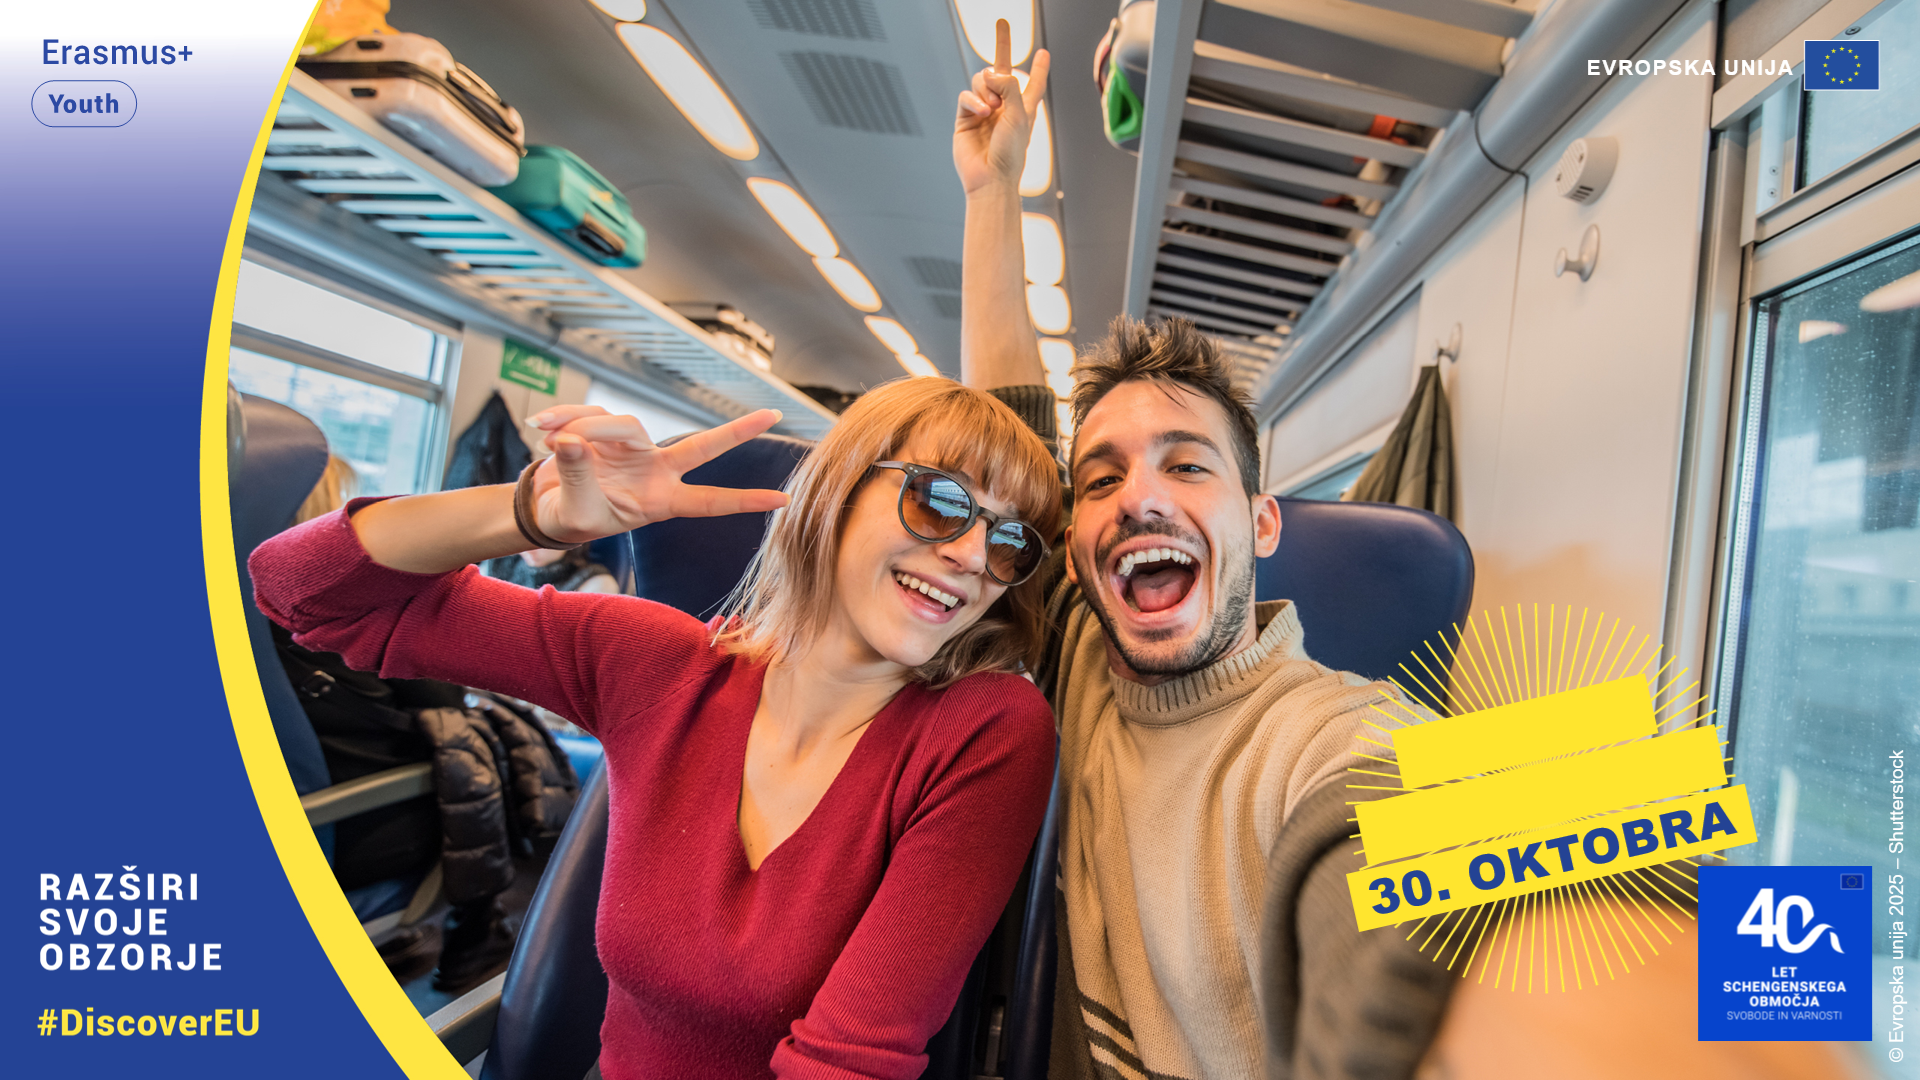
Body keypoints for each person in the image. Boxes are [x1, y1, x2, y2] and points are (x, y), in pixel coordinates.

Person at [250, 377, 1062, 1079]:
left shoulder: (986, 731)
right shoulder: (657, 665)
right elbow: (301, 590)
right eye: (940, 503)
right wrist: (536, 515)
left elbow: (849, 1059)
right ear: (839, 488)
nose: (972, 557)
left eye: (1009, 541)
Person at [953, 29, 1448, 1080]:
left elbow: (1420, 827)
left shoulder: (1334, 733)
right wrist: (992, 193)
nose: (1138, 498)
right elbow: (1009, 431)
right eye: (1100, 480)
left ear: (1262, 524)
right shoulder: (1081, 663)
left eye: (1186, 466)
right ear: (1073, 554)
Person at [271, 455, 549, 995]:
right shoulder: (333, 615)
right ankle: (479, 931)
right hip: (354, 828)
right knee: (470, 756)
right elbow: (444, 696)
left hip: (302, 804)